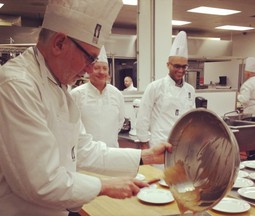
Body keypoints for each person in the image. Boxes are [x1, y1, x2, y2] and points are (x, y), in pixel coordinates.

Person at [0, 0, 171, 215]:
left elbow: (83, 150)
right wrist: (105, 186)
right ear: (59, 43)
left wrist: (146, 156)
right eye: (89, 58)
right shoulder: (17, 85)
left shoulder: (60, 85)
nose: (90, 69)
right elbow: (41, 182)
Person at [135, 31, 195, 163]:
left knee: (180, 180)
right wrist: (144, 145)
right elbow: (143, 117)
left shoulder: (190, 90)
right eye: (177, 66)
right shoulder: (155, 87)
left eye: (184, 66)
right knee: (160, 181)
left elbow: (191, 119)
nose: (181, 70)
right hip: (159, 145)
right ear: (168, 65)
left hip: (183, 147)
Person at [70, 46, 124, 148]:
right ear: (89, 71)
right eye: (96, 68)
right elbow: (72, 125)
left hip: (111, 152)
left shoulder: (117, 94)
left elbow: (119, 122)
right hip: (86, 154)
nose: (101, 72)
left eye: (105, 68)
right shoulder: (76, 94)